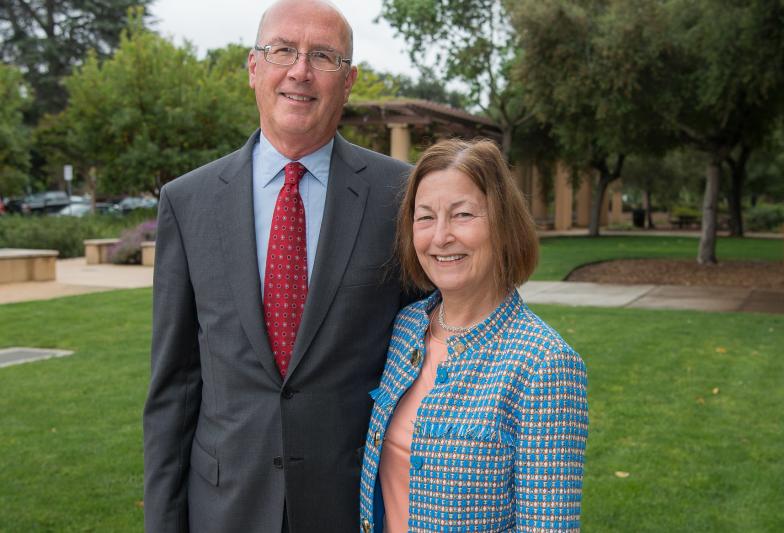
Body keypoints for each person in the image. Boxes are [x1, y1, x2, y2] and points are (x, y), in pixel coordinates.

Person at [143, 1, 412, 531]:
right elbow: (174, 385)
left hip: (352, 504)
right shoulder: (187, 201)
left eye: (323, 56)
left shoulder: (399, 196)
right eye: (282, 50)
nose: (300, 70)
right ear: (253, 67)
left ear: (349, 79)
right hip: (224, 505)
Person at [359, 139, 589, 532]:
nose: (441, 236)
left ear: (502, 224)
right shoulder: (407, 327)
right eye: (425, 217)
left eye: (462, 214)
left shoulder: (544, 365)